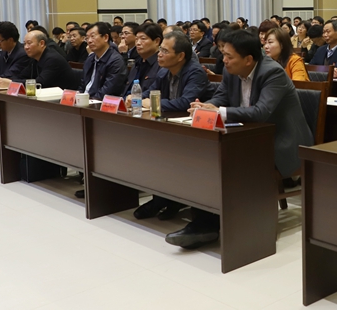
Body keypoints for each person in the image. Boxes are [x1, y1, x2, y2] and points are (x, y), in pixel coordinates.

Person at [173, 30, 313, 248]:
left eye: (229, 56)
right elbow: (221, 96)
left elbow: (260, 112)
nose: (224, 60)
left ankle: (217, 225)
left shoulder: (272, 73)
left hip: (281, 142)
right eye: (223, 54)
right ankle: (205, 223)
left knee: (228, 163)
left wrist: (219, 111)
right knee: (205, 157)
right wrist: (207, 106)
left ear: (248, 59)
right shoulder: (232, 69)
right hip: (248, 137)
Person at [133, 31, 212, 221]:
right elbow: (149, 94)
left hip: (196, 133)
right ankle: (162, 197)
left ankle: (173, 199)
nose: (159, 54)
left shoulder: (195, 72)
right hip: (171, 126)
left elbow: (185, 103)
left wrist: (153, 103)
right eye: (160, 50)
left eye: (164, 51)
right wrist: (136, 98)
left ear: (180, 56)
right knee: (152, 150)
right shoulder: (164, 71)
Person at [0, 30, 77, 89]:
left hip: (64, 100)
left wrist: (11, 83)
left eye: (29, 43)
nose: (25, 47)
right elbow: (22, 75)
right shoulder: (35, 57)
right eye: (24, 43)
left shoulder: (53, 59)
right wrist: (3, 80)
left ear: (41, 43)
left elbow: (40, 83)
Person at [78, 22, 128, 100]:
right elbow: (82, 86)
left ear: (105, 37)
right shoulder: (90, 59)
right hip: (85, 100)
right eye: (87, 38)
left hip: (99, 102)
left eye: (93, 36)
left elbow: (108, 91)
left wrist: (88, 100)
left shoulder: (115, 61)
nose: (89, 41)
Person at [122, 22, 163, 99]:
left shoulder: (162, 64)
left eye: (143, 39)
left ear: (157, 41)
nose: (138, 43)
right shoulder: (136, 64)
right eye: (136, 39)